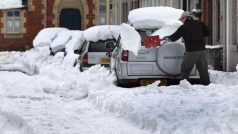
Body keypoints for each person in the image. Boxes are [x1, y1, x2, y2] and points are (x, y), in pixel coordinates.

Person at [163, 11, 210, 85]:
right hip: (202, 50)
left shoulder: (183, 27)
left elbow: (174, 37)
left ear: (185, 18)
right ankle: (206, 85)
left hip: (191, 51)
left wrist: (166, 38)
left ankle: (185, 87)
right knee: (203, 69)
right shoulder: (200, 23)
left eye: (182, 19)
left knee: (185, 69)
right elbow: (208, 32)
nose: (181, 21)